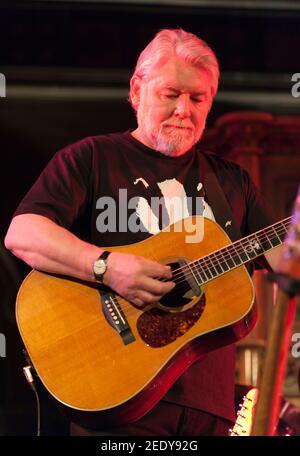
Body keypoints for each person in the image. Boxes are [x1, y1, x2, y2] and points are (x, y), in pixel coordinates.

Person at [5, 28, 282, 436]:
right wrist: (108, 267)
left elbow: (286, 260)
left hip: (211, 411)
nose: (184, 109)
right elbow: (22, 233)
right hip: (115, 400)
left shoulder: (233, 182)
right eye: (171, 94)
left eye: (198, 98)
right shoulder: (93, 157)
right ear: (137, 90)